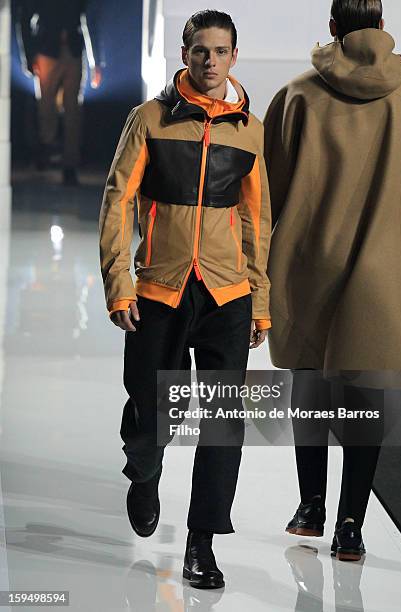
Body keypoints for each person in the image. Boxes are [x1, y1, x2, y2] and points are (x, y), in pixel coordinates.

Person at [99, 10, 271, 589]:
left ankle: (201, 542)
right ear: (184, 52)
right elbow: (119, 200)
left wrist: (260, 297)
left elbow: (256, 218)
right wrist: (119, 282)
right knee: (152, 418)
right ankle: (144, 473)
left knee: (225, 423)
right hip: (160, 292)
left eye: (221, 52)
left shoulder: (249, 128)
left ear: (234, 57)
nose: (210, 61)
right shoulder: (149, 119)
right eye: (201, 51)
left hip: (227, 294)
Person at [264, 0, 401, 561]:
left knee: (310, 382)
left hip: (307, 261)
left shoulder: (299, 95)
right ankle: (351, 524)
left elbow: (266, 185)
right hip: (384, 267)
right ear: (382, 25)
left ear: (332, 27)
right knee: (367, 395)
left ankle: (310, 506)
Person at [16, 0, 103, 185]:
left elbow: (86, 18)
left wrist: (95, 60)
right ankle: (47, 150)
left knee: (73, 111)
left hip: (70, 50)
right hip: (47, 50)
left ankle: (69, 165)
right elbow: (24, 18)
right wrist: (29, 56)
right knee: (46, 108)